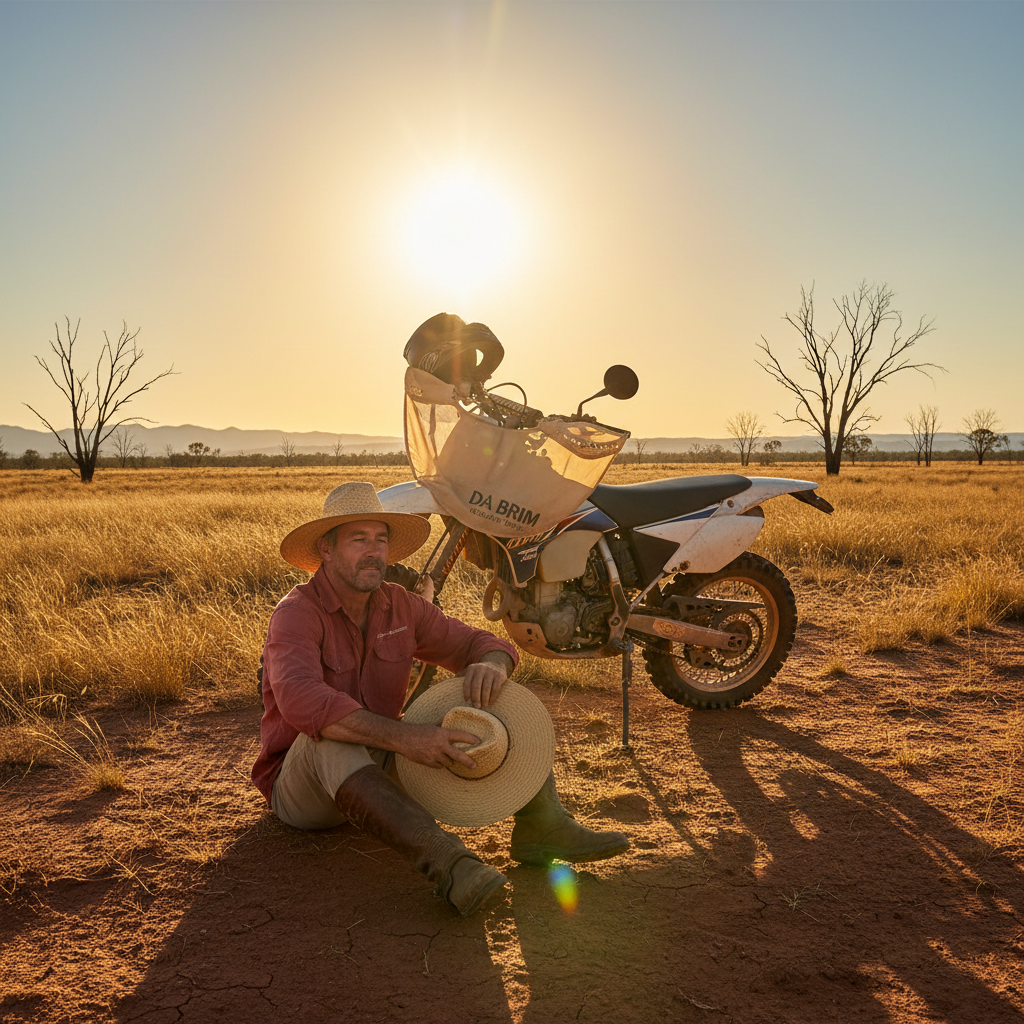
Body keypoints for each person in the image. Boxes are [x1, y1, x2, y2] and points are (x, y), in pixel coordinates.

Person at [253, 481, 629, 917]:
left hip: (378, 763)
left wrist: (492, 665)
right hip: (304, 790)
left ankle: (542, 824)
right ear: (327, 550)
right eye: (359, 540)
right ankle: (450, 864)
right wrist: (408, 739)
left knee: (491, 695)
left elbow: (480, 644)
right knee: (330, 736)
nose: (374, 551)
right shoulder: (296, 613)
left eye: (381, 540)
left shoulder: (401, 606)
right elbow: (303, 702)